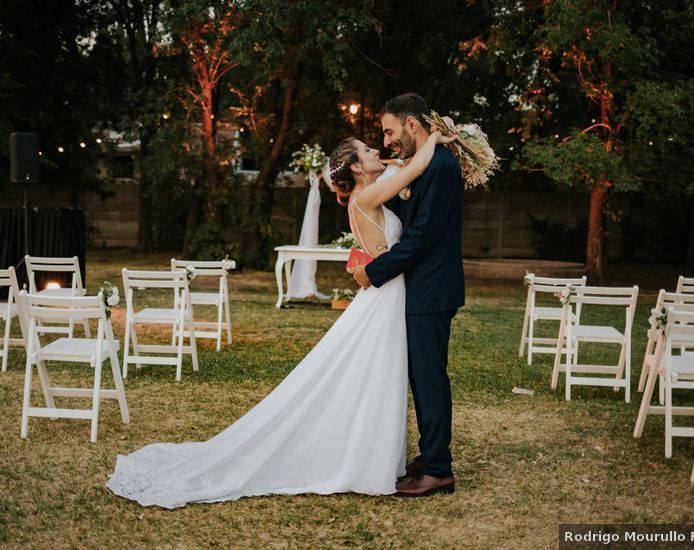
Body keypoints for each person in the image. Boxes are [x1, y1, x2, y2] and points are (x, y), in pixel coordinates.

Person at [106, 128, 454, 509]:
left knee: (375, 373)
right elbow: (416, 165)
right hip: (386, 294)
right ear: (355, 166)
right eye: (369, 150)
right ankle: (361, 457)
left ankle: (370, 452)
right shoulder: (368, 194)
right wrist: (435, 136)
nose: (378, 150)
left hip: (385, 292)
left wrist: (413, 154)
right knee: (374, 373)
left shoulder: (366, 191)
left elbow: (402, 167)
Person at [352, 92, 465, 497]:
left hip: (432, 289)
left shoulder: (441, 165)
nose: (386, 141)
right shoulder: (427, 163)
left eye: (389, 131)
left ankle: (438, 469)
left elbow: (421, 237)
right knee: (420, 377)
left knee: (429, 379)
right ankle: (428, 455)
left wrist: (374, 271)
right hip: (422, 289)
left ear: (412, 125)